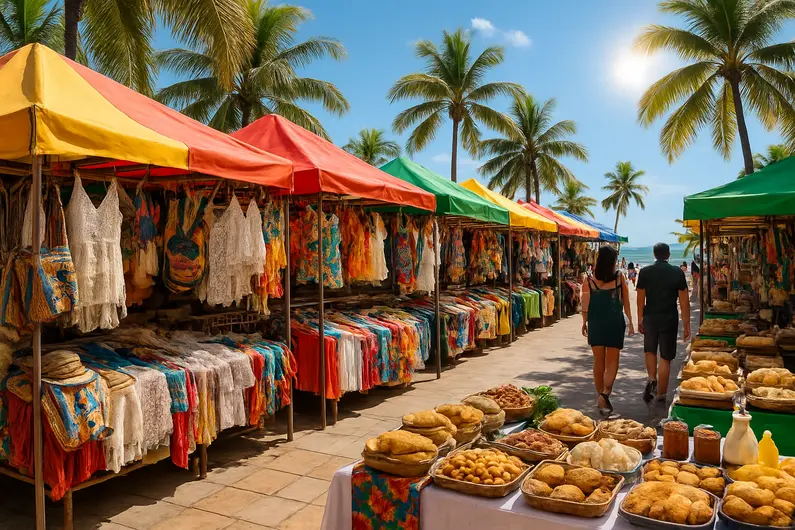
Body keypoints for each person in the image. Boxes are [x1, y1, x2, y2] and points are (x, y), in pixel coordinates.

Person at [581, 246, 634, 416]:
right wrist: (631, 321)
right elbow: (625, 302)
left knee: (598, 362)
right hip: (614, 322)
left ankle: (600, 397)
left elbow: (585, 306)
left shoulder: (588, 280)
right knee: (613, 361)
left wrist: (584, 322)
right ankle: (605, 394)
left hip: (596, 323)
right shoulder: (619, 277)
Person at [637, 243, 691, 404]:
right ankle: (661, 393)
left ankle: (652, 378)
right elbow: (684, 301)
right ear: (668, 255)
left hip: (650, 317)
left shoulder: (645, 272)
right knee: (666, 357)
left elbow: (640, 299)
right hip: (669, 317)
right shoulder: (677, 273)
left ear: (654, 255)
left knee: (650, 350)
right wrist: (687, 324)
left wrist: (639, 318)